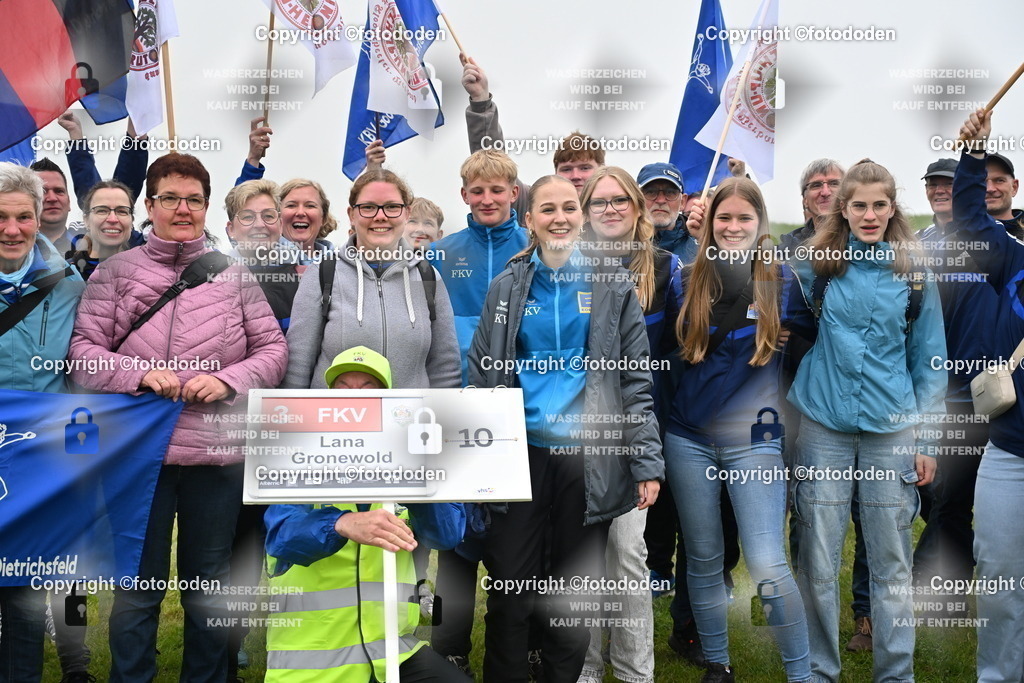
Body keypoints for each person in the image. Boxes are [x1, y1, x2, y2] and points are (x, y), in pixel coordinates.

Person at [68, 153, 289, 682]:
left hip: (214, 452)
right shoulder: (116, 273)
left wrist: (229, 380)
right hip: (137, 454)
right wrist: (138, 373)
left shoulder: (234, 277)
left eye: (193, 198)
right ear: (151, 205)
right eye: (170, 197)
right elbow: (83, 353)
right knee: (138, 590)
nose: (182, 208)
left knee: (207, 587)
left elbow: (272, 351)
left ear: (207, 206)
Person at [468, 174, 663, 683]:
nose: (559, 217)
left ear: (582, 215)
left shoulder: (612, 283)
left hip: (587, 460)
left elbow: (635, 380)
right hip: (520, 458)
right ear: (528, 219)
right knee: (511, 591)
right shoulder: (507, 285)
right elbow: (482, 373)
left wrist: (645, 462)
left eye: (569, 208)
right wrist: (480, 460)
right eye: (547, 209)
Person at [787, 159, 946, 683]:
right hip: (823, 426)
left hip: (893, 430)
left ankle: (895, 674)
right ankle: (817, 671)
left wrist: (927, 438)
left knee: (891, 563)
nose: (870, 214)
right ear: (843, 209)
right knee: (817, 559)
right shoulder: (816, 266)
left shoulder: (915, 274)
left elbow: (930, 361)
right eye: (859, 205)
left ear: (893, 207)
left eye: (880, 204)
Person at [665, 177, 810, 683]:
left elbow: (810, 347)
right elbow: (661, 352)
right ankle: (718, 665)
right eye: (723, 218)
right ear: (709, 225)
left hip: (755, 443)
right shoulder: (684, 279)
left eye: (743, 218)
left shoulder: (783, 282)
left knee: (768, 561)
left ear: (759, 223)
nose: (732, 227)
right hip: (688, 440)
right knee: (703, 558)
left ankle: (801, 673)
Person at [264, 345, 469, 682]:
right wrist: (341, 523)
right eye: (342, 389)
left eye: (368, 390)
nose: (353, 399)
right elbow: (281, 538)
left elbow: (447, 536)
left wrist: (417, 477)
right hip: (314, 663)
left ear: (388, 403)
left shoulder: (411, 455)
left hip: (391, 651)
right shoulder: (296, 455)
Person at [576, 167, 681, 683]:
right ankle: (588, 669)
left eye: (621, 200)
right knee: (584, 560)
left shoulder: (668, 267)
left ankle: (636, 671)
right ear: (585, 209)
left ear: (637, 208)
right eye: (599, 202)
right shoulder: (567, 267)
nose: (611, 209)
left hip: (637, 434)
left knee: (627, 555)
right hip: (575, 442)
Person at [0, 161, 85, 682]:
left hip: (39, 457)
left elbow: (88, 359)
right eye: (1, 217)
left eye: (23, 217)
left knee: (29, 580)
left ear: (39, 217)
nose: (12, 229)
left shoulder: (68, 282)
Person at [282, 168, 460, 391]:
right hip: (335, 421)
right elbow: (297, 365)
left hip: (410, 421)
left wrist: (443, 420)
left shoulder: (428, 277)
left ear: (406, 213)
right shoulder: (322, 273)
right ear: (352, 215)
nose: (380, 216)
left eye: (392, 207)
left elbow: (445, 368)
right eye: (368, 207)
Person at [956, 108, 1024, 683]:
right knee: (999, 574)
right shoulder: (1013, 259)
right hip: (1009, 451)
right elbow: (973, 223)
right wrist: (975, 155)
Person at [912, 158, 994, 587]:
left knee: (948, 497)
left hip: (972, 390)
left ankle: (924, 582)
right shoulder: (919, 241)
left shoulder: (987, 240)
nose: (940, 190)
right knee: (930, 493)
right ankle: (965, 562)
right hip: (926, 386)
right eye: (933, 184)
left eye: (948, 184)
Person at [460, 54, 605, 206]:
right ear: (555, 172)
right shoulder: (535, 204)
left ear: (602, 169)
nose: (575, 176)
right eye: (566, 169)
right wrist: (481, 100)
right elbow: (493, 166)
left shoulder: (621, 207)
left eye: (585, 168)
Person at [224, 179, 302, 332]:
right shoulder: (214, 281)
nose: (260, 224)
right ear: (231, 229)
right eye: (247, 217)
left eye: (268, 216)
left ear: (280, 225)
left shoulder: (305, 277)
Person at [66, 180, 136, 280]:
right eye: (102, 211)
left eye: (122, 211)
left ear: (131, 220)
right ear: (86, 220)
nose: (113, 219)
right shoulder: (63, 276)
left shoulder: (148, 274)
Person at [637, 162, 695, 263]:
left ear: (682, 202)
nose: (660, 200)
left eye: (670, 192)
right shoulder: (620, 246)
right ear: (637, 199)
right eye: (651, 192)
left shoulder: (701, 247)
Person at [277, 178, 338, 259]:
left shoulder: (341, 267)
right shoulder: (259, 263)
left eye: (310, 206)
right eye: (291, 205)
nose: (300, 212)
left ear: (323, 218)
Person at [29, 158, 79, 255]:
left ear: (69, 202)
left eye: (59, 191)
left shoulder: (94, 248)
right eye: (42, 191)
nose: (52, 198)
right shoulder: (8, 252)